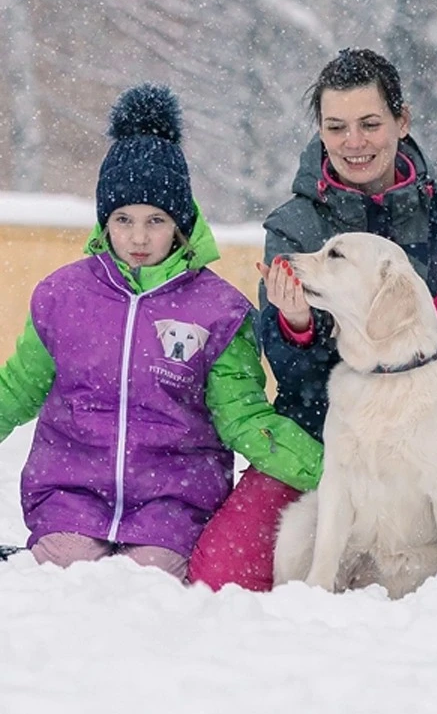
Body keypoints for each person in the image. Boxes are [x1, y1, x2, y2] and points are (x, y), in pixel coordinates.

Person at [188, 48, 437, 591]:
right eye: (336, 127)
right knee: (223, 577)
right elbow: (291, 375)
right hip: (319, 442)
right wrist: (299, 327)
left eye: (369, 124)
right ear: (320, 130)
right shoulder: (294, 225)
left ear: (401, 121)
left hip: (424, 448)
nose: (353, 143)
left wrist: (407, 359)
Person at [0, 84, 322, 581]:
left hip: (171, 505)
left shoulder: (218, 311)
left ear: (181, 223)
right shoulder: (62, 298)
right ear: (105, 221)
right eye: (123, 219)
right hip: (69, 495)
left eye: (156, 220)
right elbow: (15, 391)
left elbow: (244, 418)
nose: (138, 237)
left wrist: (331, 471)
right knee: (69, 575)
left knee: (145, 582)